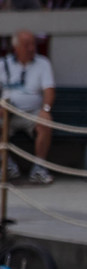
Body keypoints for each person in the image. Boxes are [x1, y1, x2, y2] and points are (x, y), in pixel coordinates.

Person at [1, 30, 53, 185]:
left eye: (33, 44)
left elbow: (49, 90)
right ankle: (7, 166)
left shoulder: (43, 63)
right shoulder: (3, 64)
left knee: (46, 122)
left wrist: (46, 109)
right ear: (16, 47)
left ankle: (39, 168)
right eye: (26, 45)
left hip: (33, 113)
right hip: (7, 113)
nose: (31, 48)